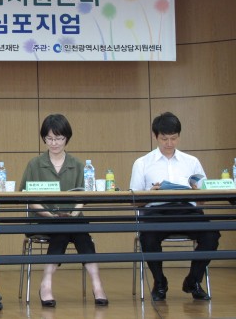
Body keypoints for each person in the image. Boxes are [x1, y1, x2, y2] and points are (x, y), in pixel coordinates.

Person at [18, 114, 108, 308]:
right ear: (44, 138)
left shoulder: (78, 165)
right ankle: (93, 284)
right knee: (64, 227)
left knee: (73, 229)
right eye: (49, 138)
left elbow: (83, 196)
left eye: (59, 138)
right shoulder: (34, 164)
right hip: (43, 218)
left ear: (67, 138)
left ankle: (55, 283)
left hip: (73, 218)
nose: (54, 143)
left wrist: (73, 214)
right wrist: (51, 215)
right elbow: (28, 198)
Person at [129, 112, 220, 301]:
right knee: (147, 236)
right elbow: (135, 201)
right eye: (164, 139)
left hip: (187, 210)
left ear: (179, 136)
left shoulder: (192, 162)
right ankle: (160, 282)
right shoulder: (142, 163)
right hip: (156, 211)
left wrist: (198, 193)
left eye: (173, 138)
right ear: (155, 136)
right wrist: (150, 193)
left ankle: (193, 281)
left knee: (211, 234)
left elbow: (203, 201)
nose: (169, 143)